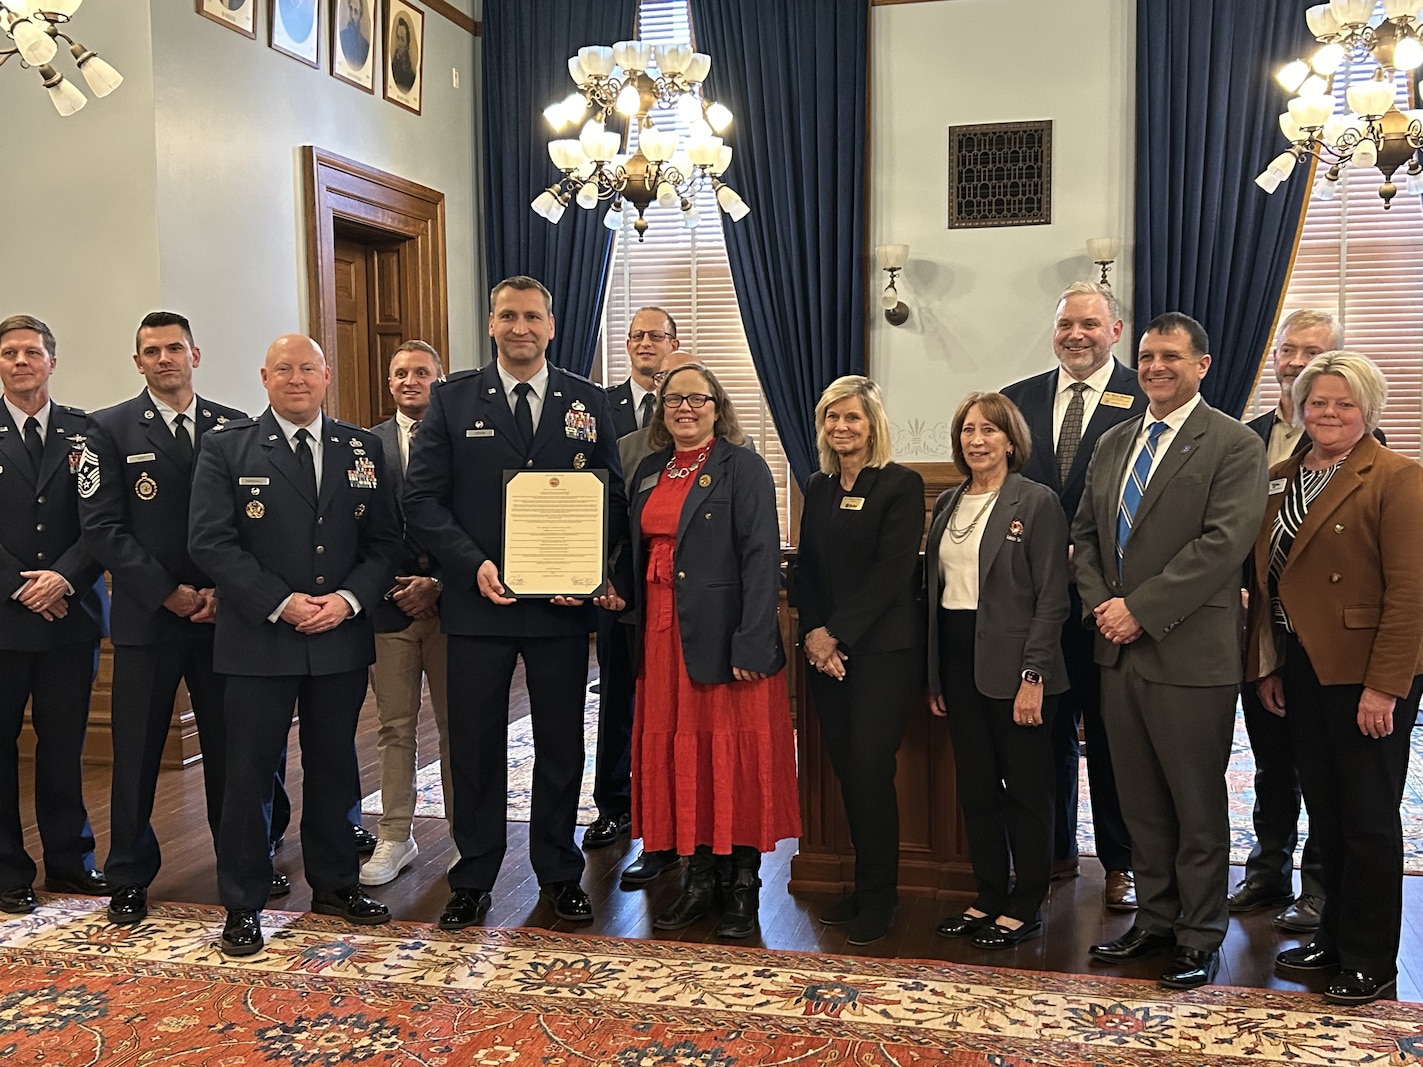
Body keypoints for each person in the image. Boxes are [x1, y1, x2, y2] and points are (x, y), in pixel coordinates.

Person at [403, 276, 629, 931]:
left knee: (561, 746)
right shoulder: (450, 401)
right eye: (508, 315)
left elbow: (610, 495)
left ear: (552, 326)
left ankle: (558, 873)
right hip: (479, 605)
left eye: (532, 315)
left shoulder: (585, 400)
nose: (520, 327)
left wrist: (588, 568)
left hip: (560, 606)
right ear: (492, 323)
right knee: (474, 746)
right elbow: (420, 499)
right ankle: (473, 876)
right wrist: (471, 564)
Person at [188, 333, 402, 956]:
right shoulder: (226, 449)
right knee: (250, 773)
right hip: (259, 640)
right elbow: (211, 542)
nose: (297, 378)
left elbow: (385, 543)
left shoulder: (361, 449)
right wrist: (281, 602)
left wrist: (347, 600)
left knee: (336, 767)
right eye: (284, 369)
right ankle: (244, 901)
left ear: (327, 374)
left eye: (308, 368)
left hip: (338, 635)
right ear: (264, 377)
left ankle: (335, 884)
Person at [1074, 312, 1266, 990]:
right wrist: (1104, 604)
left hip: (1188, 654)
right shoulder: (1113, 442)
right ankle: (1154, 919)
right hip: (1116, 652)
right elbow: (1085, 536)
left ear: (1201, 365)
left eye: (1170, 357)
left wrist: (1139, 610)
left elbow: (1222, 544)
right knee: (1139, 802)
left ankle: (1198, 932)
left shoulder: (1234, 444)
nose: (1155, 366)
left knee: (1193, 804)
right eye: (1148, 355)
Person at [79, 312, 286, 926]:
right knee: (137, 752)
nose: (164, 358)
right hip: (149, 617)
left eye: (175, 348)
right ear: (137, 361)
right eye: (152, 351)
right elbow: (102, 528)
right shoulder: (105, 430)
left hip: (227, 619)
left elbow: (258, 527)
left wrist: (227, 591)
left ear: (196, 354)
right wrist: (168, 591)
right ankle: (128, 876)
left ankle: (242, 866)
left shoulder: (238, 427)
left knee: (234, 751)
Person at [1246, 352, 1423, 1006]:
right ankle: (1333, 930)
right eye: (1314, 401)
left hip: (1364, 670)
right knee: (1323, 810)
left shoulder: (1397, 477)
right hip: (1297, 662)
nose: (1325, 412)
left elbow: (1409, 593)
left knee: (1368, 816)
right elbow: (1266, 582)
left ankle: (1370, 957)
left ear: (1367, 409)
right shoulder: (1279, 476)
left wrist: (1385, 686)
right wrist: (1266, 661)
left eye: (1341, 403)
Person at [628, 362, 800, 940]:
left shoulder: (742, 466)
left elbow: (761, 557)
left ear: (716, 406)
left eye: (697, 399)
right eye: (674, 399)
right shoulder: (650, 470)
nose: (684, 408)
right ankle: (697, 880)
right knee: (682, 754)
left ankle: (741, 886)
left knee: (732, 754)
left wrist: (753, 638)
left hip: (727, 639)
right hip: (660, 635)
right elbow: (626, 547)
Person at [1000, 281, 1144, 910]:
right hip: (1033, 608)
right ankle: (1053, 850)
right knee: (1044, 733)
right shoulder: (1017, 400)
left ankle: (1120, 862)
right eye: (1065, 325)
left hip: (1110, 605)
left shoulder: (1147, 398)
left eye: (1090, 324)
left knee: (1112, 737)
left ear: (1115, 331)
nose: (1076, 336)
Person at [926, 392, 1069, 950]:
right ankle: (988, 894)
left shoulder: (1036, 503)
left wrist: (1033, 677)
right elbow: (937, 596)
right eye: (967, 430)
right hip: (960, 663)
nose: (976, 440)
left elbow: (1053, 598)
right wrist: (938, 677)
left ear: (1011, 439)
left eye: (989, 430)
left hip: (1019, 669)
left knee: (1027, 790)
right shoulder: (947, 504)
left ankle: (1027, 901)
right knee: (977, 788)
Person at [795, 375, 923, 947]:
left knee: (871, 769)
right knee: (848, 768)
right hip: (827, 655)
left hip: (881, 654)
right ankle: (864, 886)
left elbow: (893, 573)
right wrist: (815, 637)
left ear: (874, 425)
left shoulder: (900, 484)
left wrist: (836, 634)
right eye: (832, 418)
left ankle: (882, 895)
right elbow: (808, 571)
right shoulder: (819, 487)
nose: (841, 428)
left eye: (853, 418)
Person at [1229, 309, 1345, 931]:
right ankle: (1266, 871)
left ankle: (1321, 885)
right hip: (1260, 632)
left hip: (1323, 636)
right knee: (1272, 760)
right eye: (1288, 350)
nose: (1297, 363)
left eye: (1313, 352)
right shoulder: (1241, 436)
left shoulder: (1351, 442)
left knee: (1321, 765)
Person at [0, 314, 107, 913]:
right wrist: (24, 588)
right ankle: (7, 871)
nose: (21, 362)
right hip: (4, 618)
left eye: (32, 352)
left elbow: (102, 521)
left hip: (72, 616)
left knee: (64, 745)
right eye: (10, 353)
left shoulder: (84, 435)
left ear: (51, 363)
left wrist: (64, 577)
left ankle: (70, 862)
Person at [586, 307, 681, 892]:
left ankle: (675, 816)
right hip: (617, 592)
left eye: (657, 335)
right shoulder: (599, 410)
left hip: (673, 592)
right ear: (626, 345)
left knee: (671, 705)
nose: (646, 343)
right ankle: (614, 805)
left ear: (675, 344)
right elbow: (592, 505)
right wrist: (601, 578)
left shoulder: (693, 408)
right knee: (617, 698)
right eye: (637, 335)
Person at [359, 340, 451, 887]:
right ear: (390, 383)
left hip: (451, 607)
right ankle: (395, 833)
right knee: (395, 728)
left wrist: (437, 582)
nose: (410, 380)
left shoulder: (460, 441)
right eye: (400, 373)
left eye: (421, 372)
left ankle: (469, 837)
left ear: (438, 380)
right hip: (388, 608)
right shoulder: (364, 446)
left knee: (455, 727)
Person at [338, 0, 370, 69]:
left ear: (359, 16)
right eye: (350, 9)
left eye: (355, 11)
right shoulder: (342, 35)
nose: (352, 15)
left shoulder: (364, 44)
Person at [390, 15, 416, 93]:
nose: (399, 43)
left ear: (407, 45)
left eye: (402, 39)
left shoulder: (410, 76)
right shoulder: (392, 65)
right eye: (397, 37)